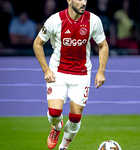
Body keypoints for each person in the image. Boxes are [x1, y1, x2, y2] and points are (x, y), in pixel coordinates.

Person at [33, 0, 109, 150]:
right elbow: (37, 43)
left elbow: (103, 45)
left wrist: (101, 71)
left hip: (81, 73)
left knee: (75, 118)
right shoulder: (55, 21)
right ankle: (56, 128)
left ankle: (63, 147)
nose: (84, 2)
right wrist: (46, 70)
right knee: (55, 113)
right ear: (69, 0)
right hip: (58, 72)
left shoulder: (93, 20)